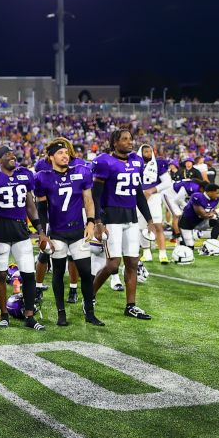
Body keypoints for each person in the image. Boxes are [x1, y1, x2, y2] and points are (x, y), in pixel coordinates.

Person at [33, 141, 102, 327]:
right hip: (57, 233)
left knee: (86, 274)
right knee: (57, 273)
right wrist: (43, 233)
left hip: (78, 231)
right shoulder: (42, 177)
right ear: (51, 157)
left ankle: (89, 312)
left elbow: (88, 200)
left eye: (66, 152)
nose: (65, 155)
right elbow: (41, 208)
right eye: (61, 153)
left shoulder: (81, 172)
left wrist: (91, 222)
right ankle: (61, 312)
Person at [90, 129, 155, 320]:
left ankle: (131, 305)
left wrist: (149, 220)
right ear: (114, 143)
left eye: (131, 139)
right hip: (111, 218)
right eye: (125, 139)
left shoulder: (136, 161)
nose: (130, 142)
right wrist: (98, 221)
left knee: (132, 262)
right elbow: (96, 195)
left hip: (131, 217)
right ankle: (90, 295)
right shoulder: (105, 161)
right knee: (112, 264)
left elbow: (138, 193)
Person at [0, 147, 44, 330]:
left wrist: (40, 230)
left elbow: (30, 206)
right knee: (1, 274)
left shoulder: (25, 175)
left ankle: (29, 315)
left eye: (13, 154)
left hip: (20, 231)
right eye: (7, 154)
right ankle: (4, 315)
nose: (12, 156)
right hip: (0, 231)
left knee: (28, 274)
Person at [137, 144, 171, 264]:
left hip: (154, 197)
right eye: (145, 151)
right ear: (140, 152)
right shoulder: (135, 163)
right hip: (138, 197)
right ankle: (147, 253)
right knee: (142, 227)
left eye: (150, 151)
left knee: (157, 225)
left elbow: (167, 182)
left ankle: (163, 254)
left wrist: (151, 191)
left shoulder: (159, 163)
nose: (148, 153)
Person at [177, 183, 219, 249]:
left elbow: (211, 212)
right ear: (210, 192)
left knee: (217, 222)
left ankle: (213, 243)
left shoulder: (216, 199)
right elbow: (202, 215)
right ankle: (182, 242)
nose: (218, 195)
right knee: (189, 246)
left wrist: (213, 213)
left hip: (201, 222)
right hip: (187, 222)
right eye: (217, 193)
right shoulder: (197, 197)